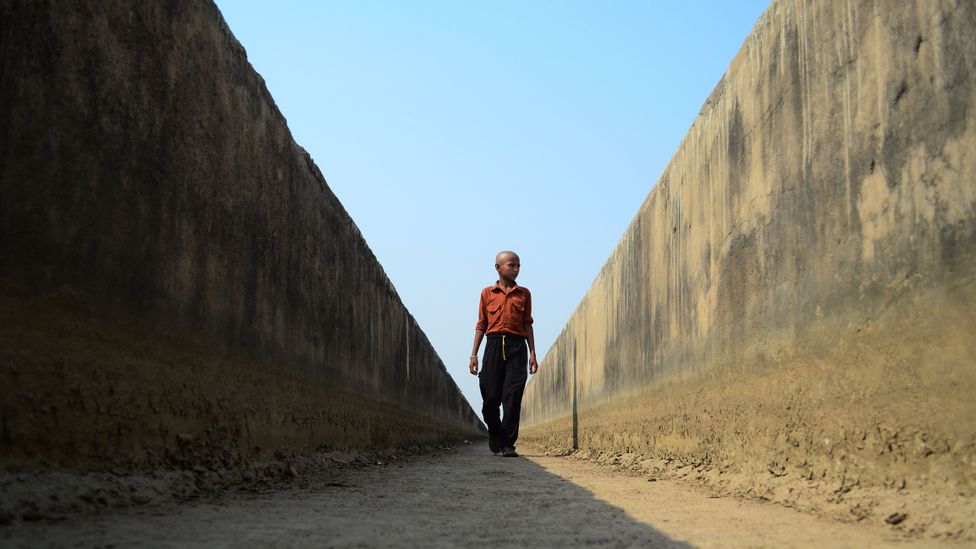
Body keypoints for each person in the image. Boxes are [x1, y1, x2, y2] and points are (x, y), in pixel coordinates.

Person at [469, 250, 538, 457]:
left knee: (513, 396)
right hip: (493, 345)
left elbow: (527, 324)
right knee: (491, 397)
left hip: (517, 347)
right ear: (498, 267)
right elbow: (481, 324)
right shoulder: (487, 293)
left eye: (518, 265)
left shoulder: (524, 294)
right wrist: (474, 354)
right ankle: (496, 433)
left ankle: (508, 444)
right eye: (511, 265)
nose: (516, 269)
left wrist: (532, 352)